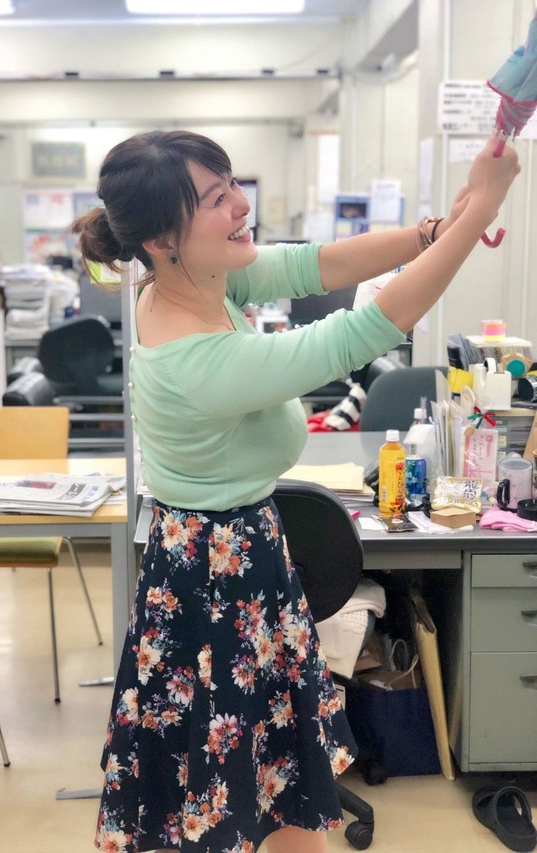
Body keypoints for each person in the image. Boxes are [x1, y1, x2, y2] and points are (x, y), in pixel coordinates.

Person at [72, 130, 519, 853]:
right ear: (160, 239)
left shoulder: (199, 281)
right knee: (224, 796)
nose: (240, 205)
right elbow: (363, 331)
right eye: (215, 198)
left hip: (238, 562)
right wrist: (481, 215)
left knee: (282, 784)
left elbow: (319, 264)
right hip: (215, 588)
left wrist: (434, 230)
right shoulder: (194, 356)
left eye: (231, 184)